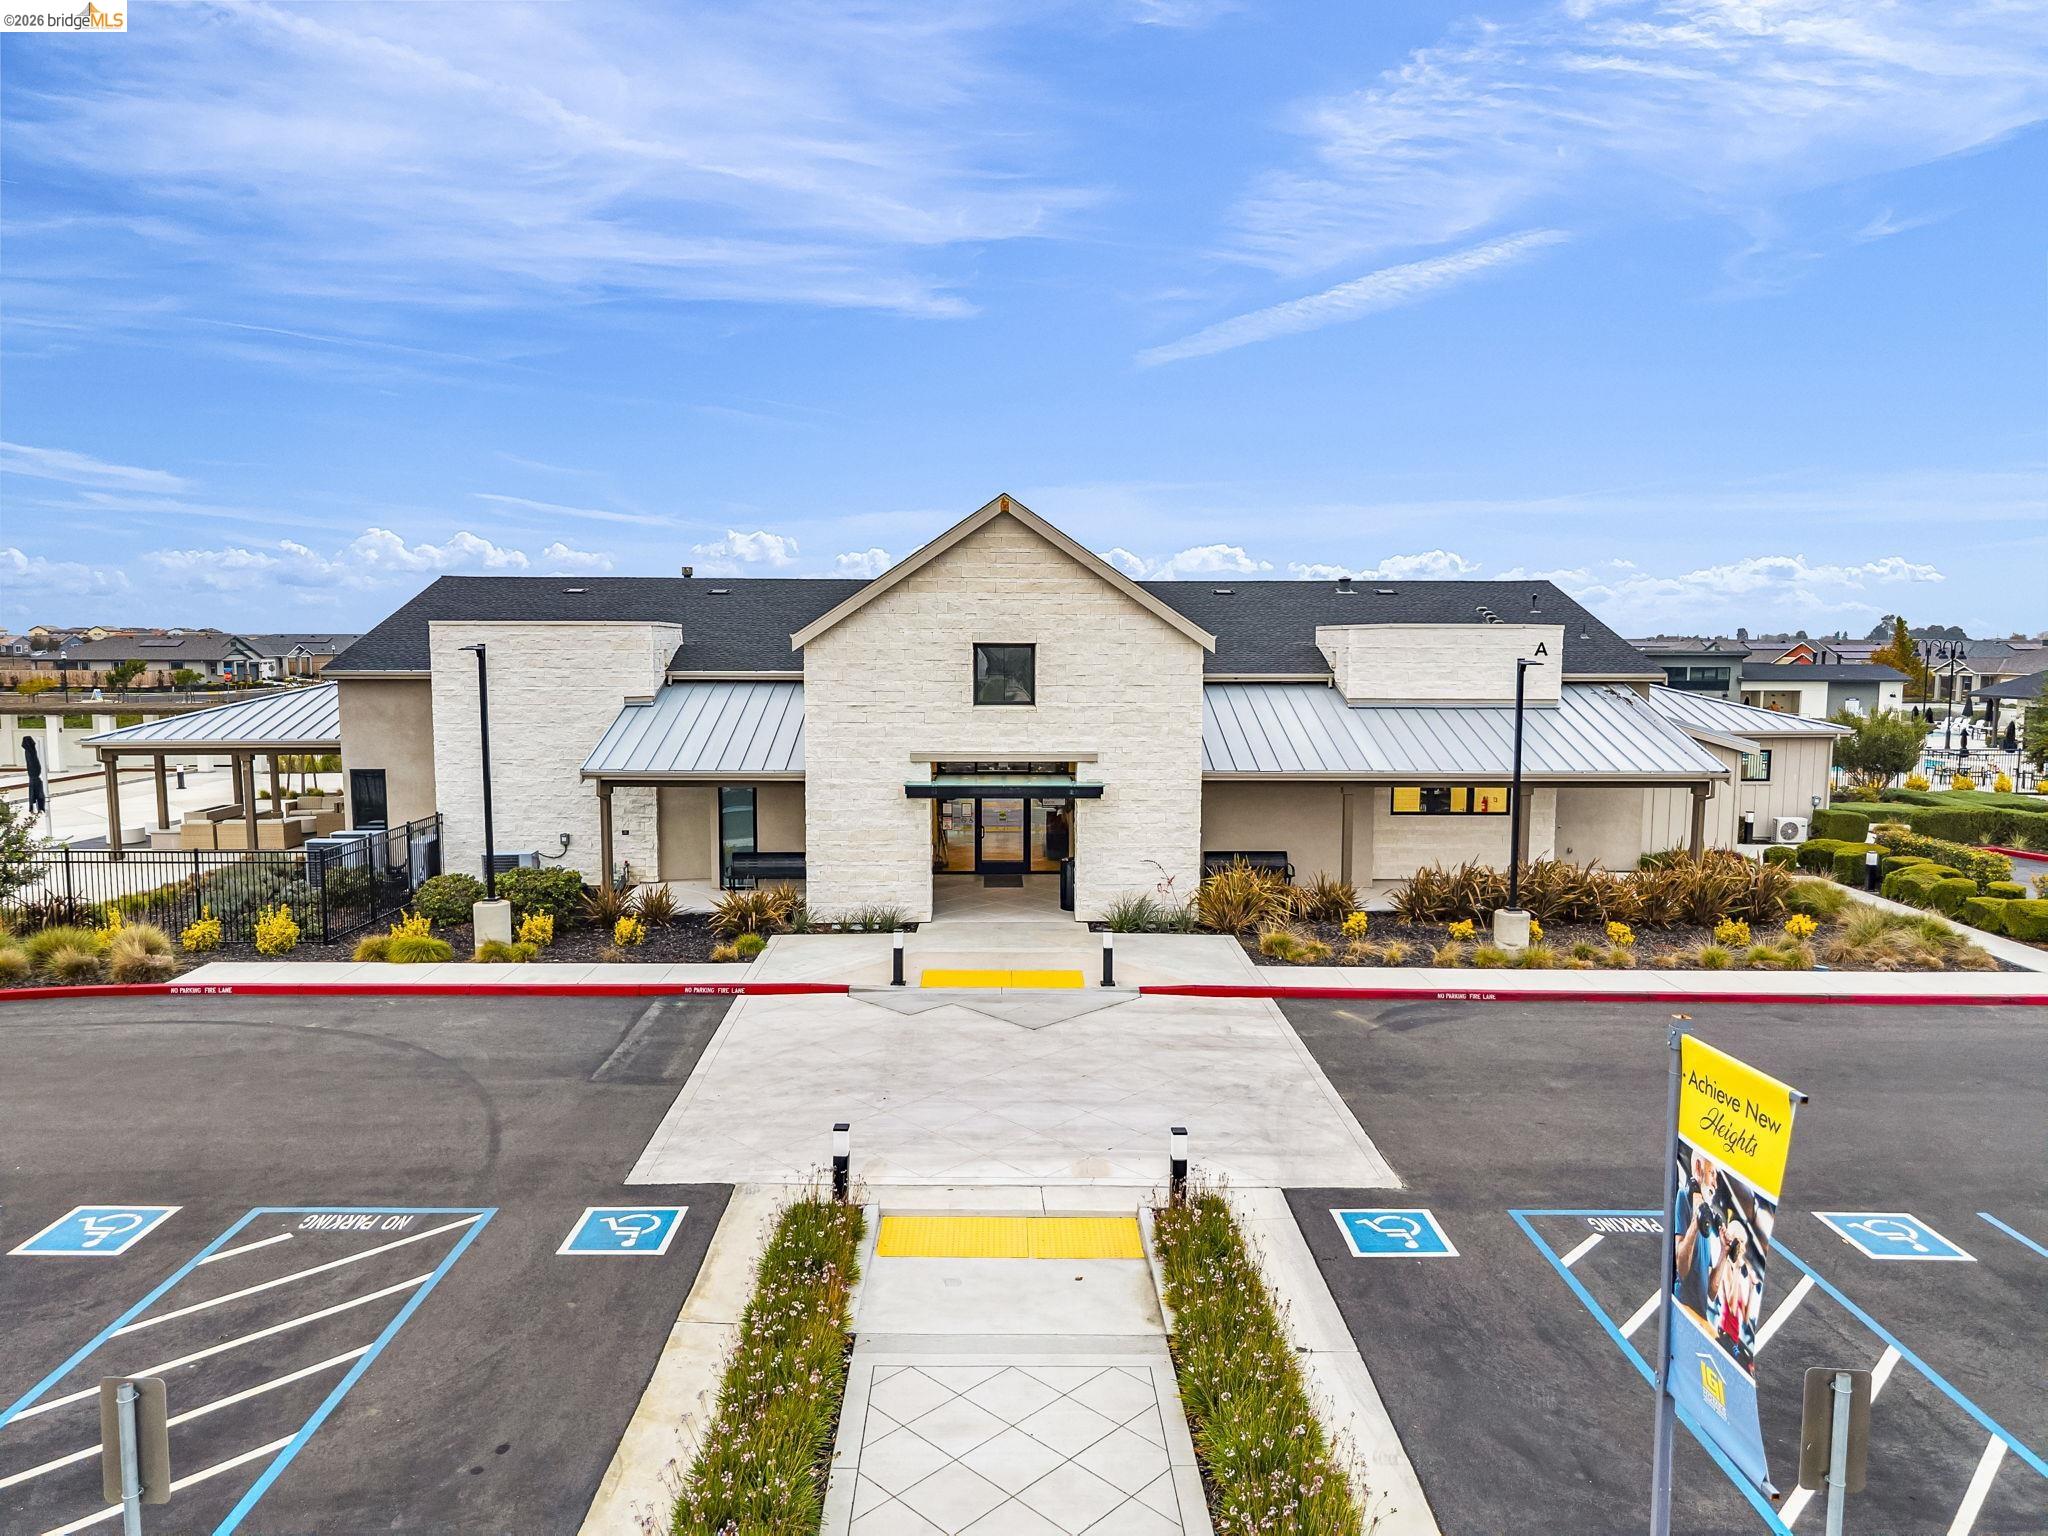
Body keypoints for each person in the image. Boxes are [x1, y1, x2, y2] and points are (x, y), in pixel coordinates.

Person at [23, 734, 46, 816]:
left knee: (37, 793)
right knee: (35, 793)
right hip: (33, 774)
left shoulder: (30, 750)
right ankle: (36, 808)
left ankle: (39, 808)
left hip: (34, 774)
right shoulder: (29, 750)